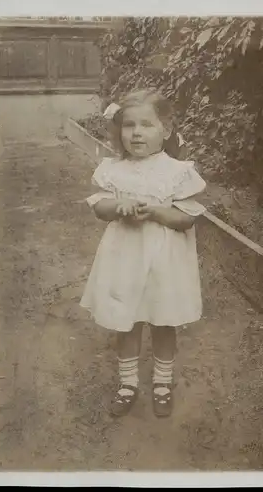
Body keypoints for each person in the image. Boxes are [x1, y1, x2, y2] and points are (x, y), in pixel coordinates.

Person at [80, 89, 206, 418]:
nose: (136, 133)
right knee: (127, 321)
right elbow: (99, 207)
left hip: (165, 262)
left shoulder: (178, 171)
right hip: (125, 258)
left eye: (147, 125)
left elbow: (187, 217)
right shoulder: (113, 168)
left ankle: (163, 383)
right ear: (119, 131)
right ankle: (128, 383)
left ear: (166, 129)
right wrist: (117, 206)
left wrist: (155, 212)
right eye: (129, 125)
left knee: (164, 322)